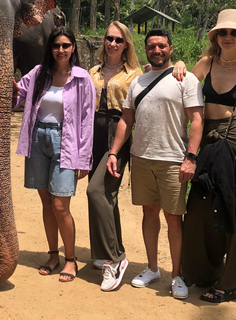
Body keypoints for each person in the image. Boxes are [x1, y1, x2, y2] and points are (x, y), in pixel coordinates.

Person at [172, 9, 236, 303]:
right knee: (198, 207)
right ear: (216, 36)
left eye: (234, 32)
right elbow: (180, 84)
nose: (227, 37)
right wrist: (181, 64)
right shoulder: (206, 63)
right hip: (207, 139)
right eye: (222, 32)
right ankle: (203, 271)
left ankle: (231, 283)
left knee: (235, 210)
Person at [106, 29, 204, 300]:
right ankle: (152, 268)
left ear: (171, 48)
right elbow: (127, 119)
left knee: (173, 218)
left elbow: (197, 120)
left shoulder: (185, 78)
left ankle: (176, 275)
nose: (157, 50)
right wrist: (114, 152)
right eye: (151, 46)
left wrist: (191, 157)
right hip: (141, 157)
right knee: (149, 213)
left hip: (173, 159)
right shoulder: (138, 82)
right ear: (146, 49)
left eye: (162, 46)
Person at [12, 26, 95, 282]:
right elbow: (18, 96)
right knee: (46, 202)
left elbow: (87, 120)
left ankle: (70, 260)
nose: (61, 50)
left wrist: (84, 159)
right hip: (38, 139)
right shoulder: (39, 73)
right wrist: (8, 86)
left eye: (66, 45)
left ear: (73, 48)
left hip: (66, 142)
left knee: (61, 205)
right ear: (50, 48)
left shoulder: (82, 79)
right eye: (56, 45)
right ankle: (52, 255)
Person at [86, 21, 142, 292]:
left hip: (117, 134)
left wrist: (178, 66)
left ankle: (115, 259)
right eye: (109, 38)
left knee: (95, 191)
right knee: (107, 196)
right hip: (93, 134)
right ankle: (111, 248)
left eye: (119, 40)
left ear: (126, 44)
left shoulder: (134, 74)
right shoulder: (92, 71)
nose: (112, 43)